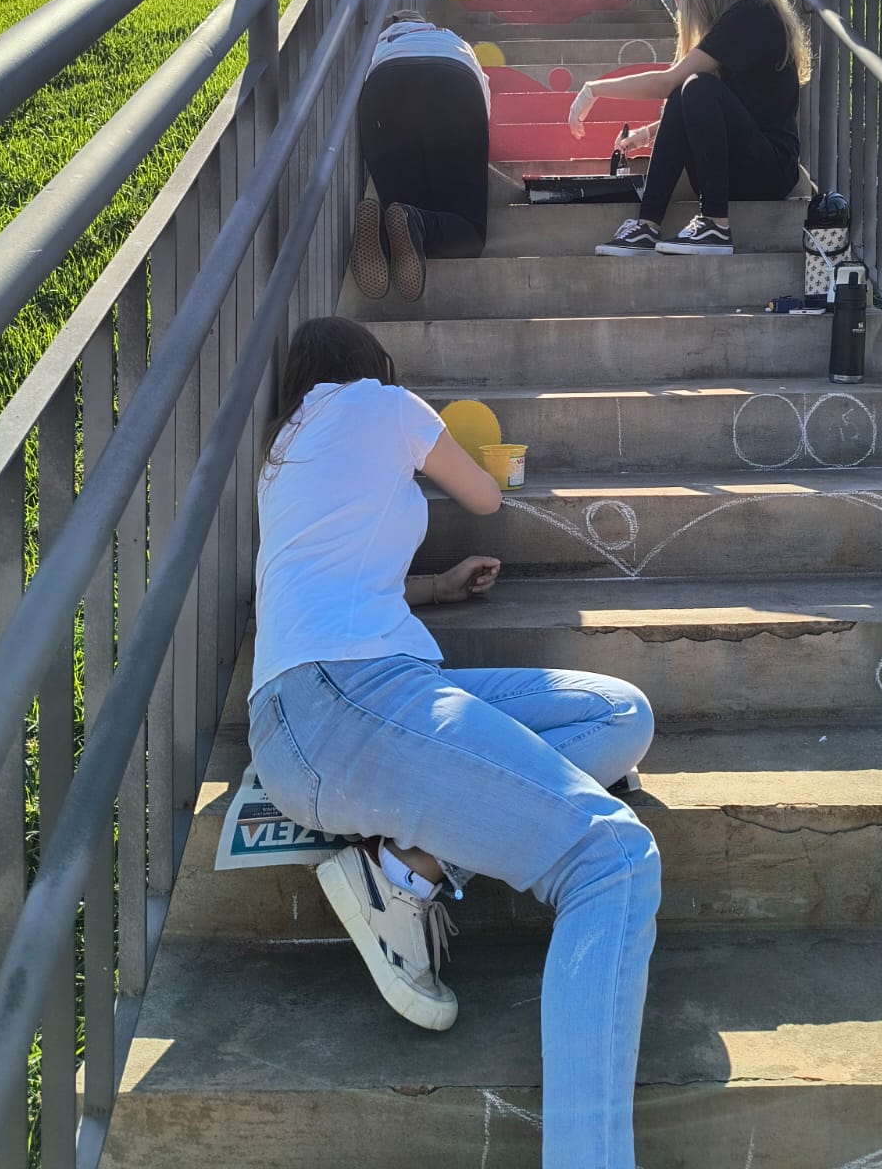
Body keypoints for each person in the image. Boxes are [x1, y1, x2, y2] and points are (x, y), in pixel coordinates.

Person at [248, 316, 660, 1169]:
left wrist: (437, 586)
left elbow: (346, 577)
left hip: (347, 693)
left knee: (620, 713)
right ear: (372, 365)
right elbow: (484, 496)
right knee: (612, 858)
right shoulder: (382, 402)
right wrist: (433, 441)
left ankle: (413, 866)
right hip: (348, 701)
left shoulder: (285, 453)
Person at [567, 0, 810, 255]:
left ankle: (715, 224)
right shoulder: (731, 19)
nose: (679, 4)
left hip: (769, 172)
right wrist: (649, 133)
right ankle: (647, 225)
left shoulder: (752, 14)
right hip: (734, 165)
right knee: (690, 88)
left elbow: (670, 82)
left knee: (692, 84)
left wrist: (594, 89)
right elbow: (714, 107)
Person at [349, 10, 491, 305]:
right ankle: (412, 222)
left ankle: (387, 233)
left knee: (401, 204)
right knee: (470, 233)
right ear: (426, 24)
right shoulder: (454, 41)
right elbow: (484, 106)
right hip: (454, 79)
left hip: (384, 85)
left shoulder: (376, 48)